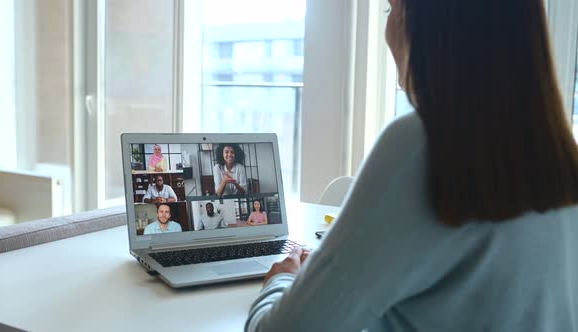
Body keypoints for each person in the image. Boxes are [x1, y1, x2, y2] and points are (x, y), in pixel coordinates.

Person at [245, 0, 578, 331]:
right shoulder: (560, 157)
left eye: (392, 11)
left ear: (424, 25)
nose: (388, 31)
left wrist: (282, 281)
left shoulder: (423, 144)